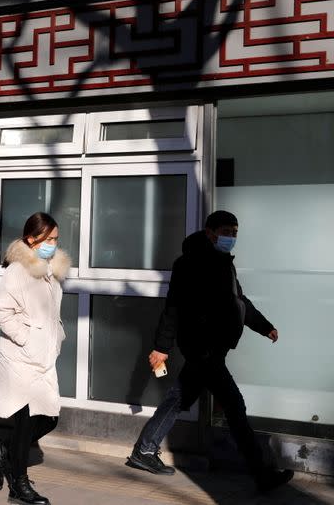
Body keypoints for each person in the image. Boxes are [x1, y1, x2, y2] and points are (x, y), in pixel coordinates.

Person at [125, 210, 294, 493]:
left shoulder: (225, 263)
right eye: (227, 232)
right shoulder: (189, 264)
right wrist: (161, 347)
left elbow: (239, 302)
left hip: (213, 349)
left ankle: (143, 451)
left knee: (179, 398)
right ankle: (261, 474)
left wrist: (264, 327)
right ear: (210, 232)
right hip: (203, 350)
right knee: (235, 407)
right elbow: (174, 307)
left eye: (235, 233)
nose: (231, 238)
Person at [0, 212, 71, 505]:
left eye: (56, 239)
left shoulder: (49, 270)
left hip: (42, 359)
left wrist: (53, 337)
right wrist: (27, 337)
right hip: (20, 359)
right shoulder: (17, 270)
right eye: (50, 239)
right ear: (32, 239)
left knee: (50, 418)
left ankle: (0, 450)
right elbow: (1, 312)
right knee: (24, 423)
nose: (54, 244)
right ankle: (18, 487)